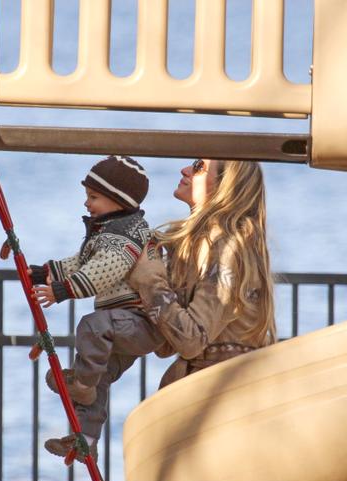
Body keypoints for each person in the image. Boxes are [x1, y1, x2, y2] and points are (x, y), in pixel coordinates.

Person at [29, 155, 165, 462]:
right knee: (98, 373)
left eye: (93, 197)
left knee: (91, 326)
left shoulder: (125, 235)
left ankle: (82, 385)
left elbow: (105, 269)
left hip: (140, 321)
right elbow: (80, 263)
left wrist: (62, 290)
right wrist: (44, 272)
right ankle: (85, 439)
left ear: (117, 200)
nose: (87, 204)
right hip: (123, 325)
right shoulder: (108, 230)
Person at [128, 159, 276, 389]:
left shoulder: (226, 248)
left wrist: (147, 279)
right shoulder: (197, 245)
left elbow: (190, 340)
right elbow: (167, 344)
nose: (185, 170)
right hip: (213, 390)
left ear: (224, 186)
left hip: (221, 396)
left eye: (199, 167)